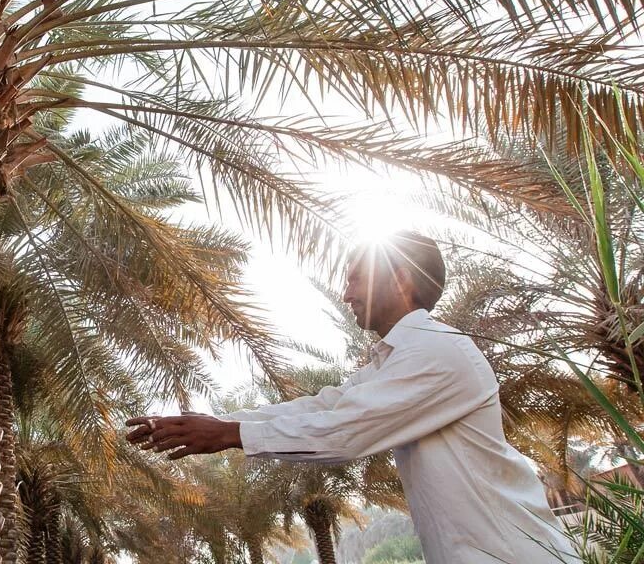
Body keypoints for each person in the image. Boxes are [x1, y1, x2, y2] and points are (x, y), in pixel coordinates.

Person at [126, 232, 579, 563]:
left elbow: (344, 431)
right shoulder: (398, 358)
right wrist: (215, 422)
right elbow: (323, 407)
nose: (347, 293)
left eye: (357, 279)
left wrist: (228, 434)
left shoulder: (437, 351)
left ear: (401, 279)